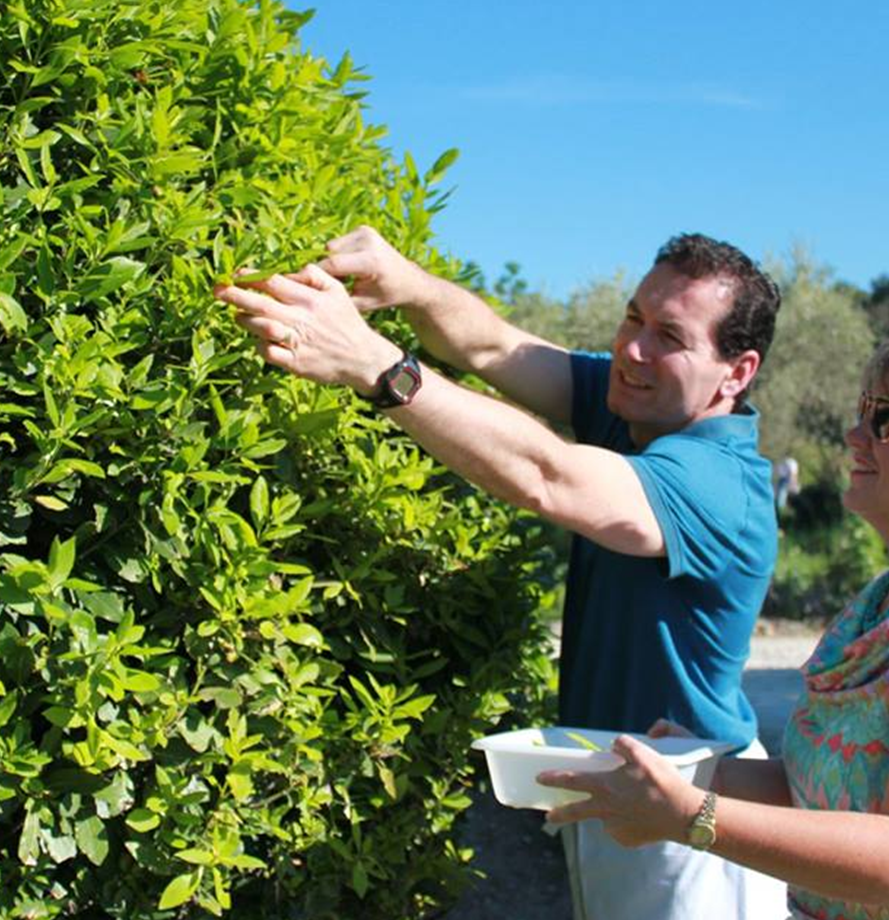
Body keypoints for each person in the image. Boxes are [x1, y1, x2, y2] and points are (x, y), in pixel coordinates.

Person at [215, 225, 786, 918]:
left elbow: (550, 479)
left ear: (737, 371)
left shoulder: (721, 481)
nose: (632, 349)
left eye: (670, 336)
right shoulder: (635, 407)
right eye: (632, 316)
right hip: (615, 784)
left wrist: (377, 365)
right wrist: (412, 286)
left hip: (692, 809)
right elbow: (493, 345)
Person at [538, 320, 889, 918]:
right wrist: (692, 768)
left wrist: (693, 817)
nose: (854, 434)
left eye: (886, 419)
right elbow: (819, 786)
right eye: (864, 410)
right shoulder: (885, 600)